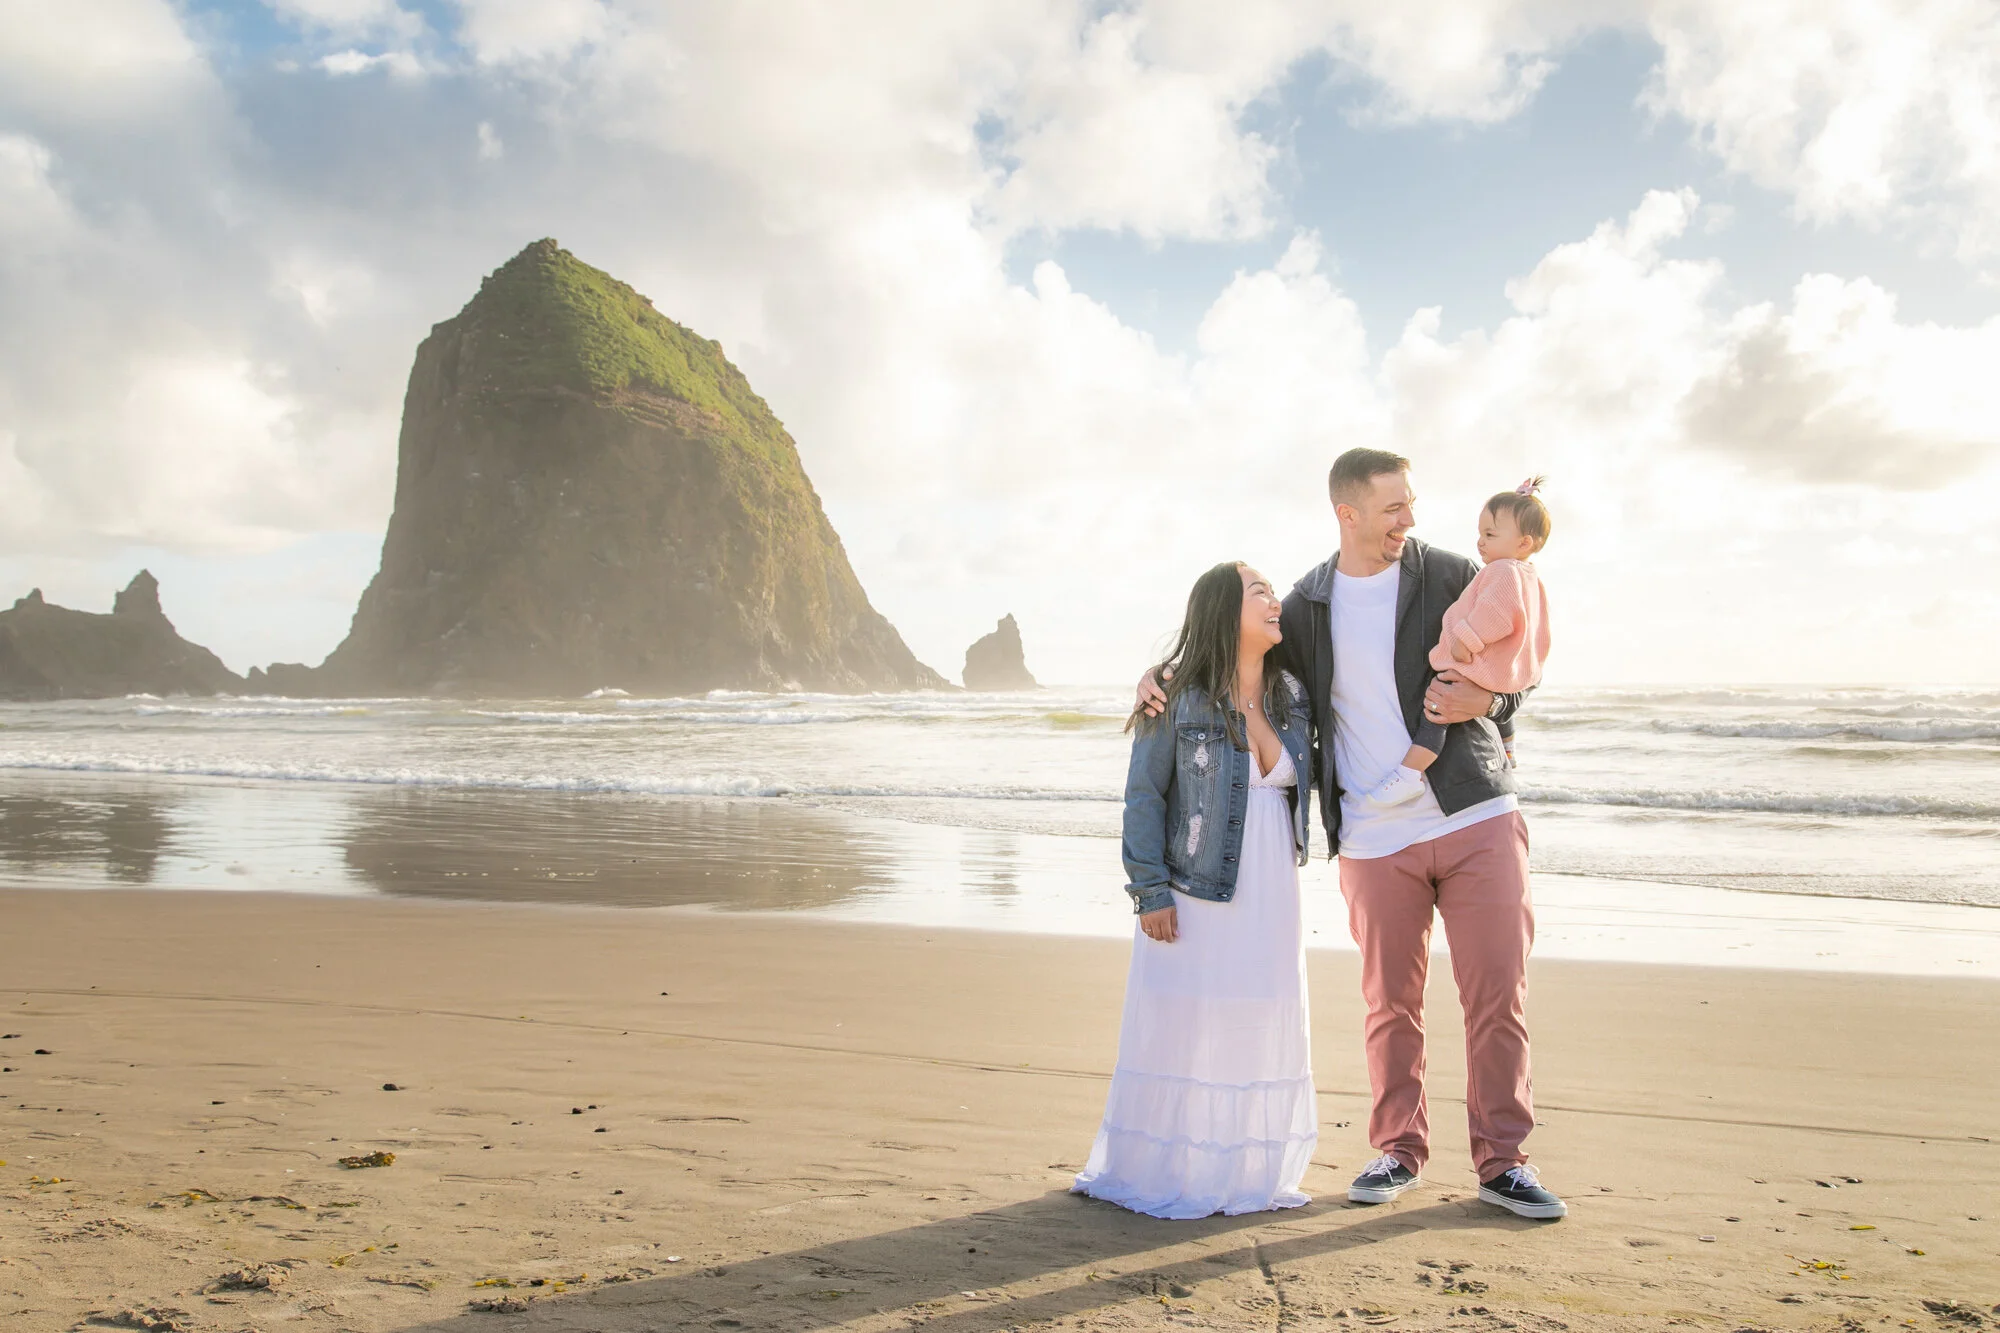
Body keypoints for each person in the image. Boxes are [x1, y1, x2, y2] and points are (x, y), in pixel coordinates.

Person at [1138, 449, 1567, 1221]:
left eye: (1411, 503)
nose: (1410, 519)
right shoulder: (1305, 606)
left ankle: (1505, 1162)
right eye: (1394, 506)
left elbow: (1518, 660)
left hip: (1475, 815)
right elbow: (1237, 659)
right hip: (1372, 837)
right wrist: (1161, 676)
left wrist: (1490, 703)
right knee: (1389, 1003)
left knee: (1497, 996)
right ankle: (1399, 1150)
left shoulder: (1449, 575)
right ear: (1348, 513)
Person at [1073, 562, 1318, 1219]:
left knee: (1260, 1013)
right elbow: (1144, 795)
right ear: (1222, 610)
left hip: (1272, 889)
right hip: (1195, 890)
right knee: (1184, 1022)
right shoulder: (1177, 696)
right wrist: (1148, 889)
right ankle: (1175, 1168)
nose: (1274, 600)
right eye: (1258, 591)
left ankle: (1242, 1171)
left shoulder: (1293, 692)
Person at [1362, 477, 1552, 807]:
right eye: (1480, 533)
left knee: (1435, 714)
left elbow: (1495, 614)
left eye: (1490, 535)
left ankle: (1410, 773)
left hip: (1470, 663)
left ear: (1523, 543)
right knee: (1501, 715)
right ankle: (1507, 748)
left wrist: (1467, 639)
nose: (1480, 542)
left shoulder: (1503, 572)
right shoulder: (1528, 574)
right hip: (1505, 670)